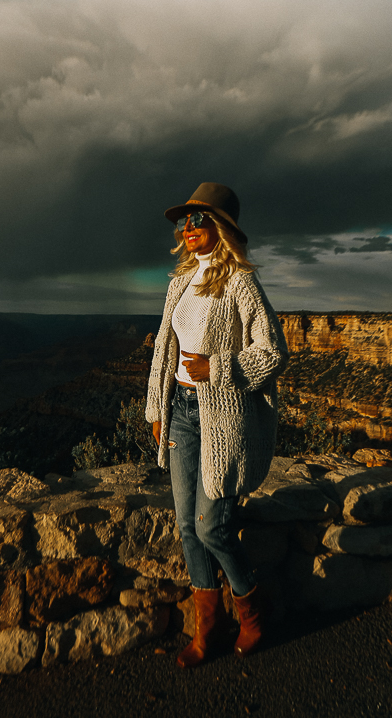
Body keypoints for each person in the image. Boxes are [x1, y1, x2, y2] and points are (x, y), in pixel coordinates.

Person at [145, 182, 288, 668]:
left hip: (220, 416)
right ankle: (208, 629)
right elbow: (165, 349)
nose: (187, 229)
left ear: (221, 228)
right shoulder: (180, 282)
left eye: (198, 220)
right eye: (183, 222)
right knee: (188, 527)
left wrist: (219, 368)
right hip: (182, 411)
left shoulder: (241, 284)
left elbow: (272, 353)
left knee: (212, 527)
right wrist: (157, 412)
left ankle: (251, 611)